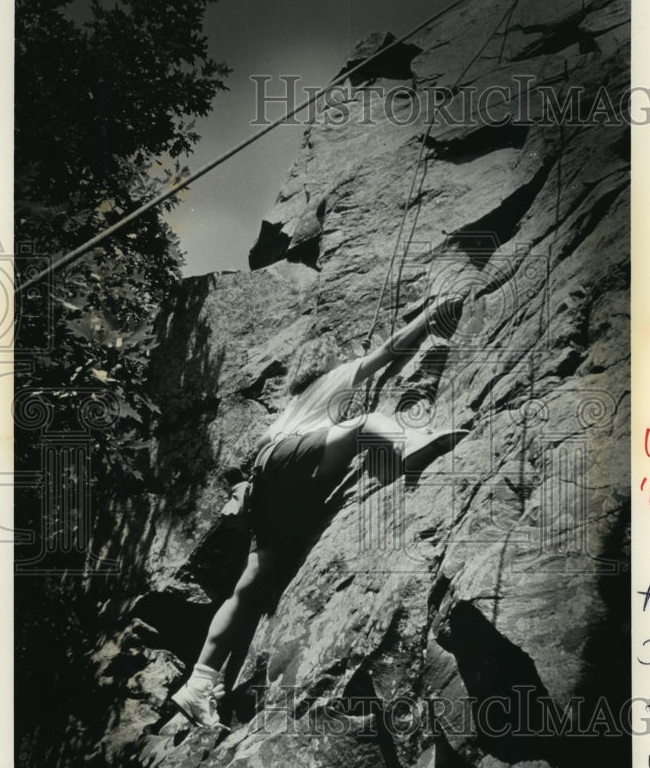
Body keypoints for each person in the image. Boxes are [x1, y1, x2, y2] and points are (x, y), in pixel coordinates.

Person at [171, 292, 467, 726]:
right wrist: (430, 316)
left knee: (248, 587)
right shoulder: (333, 378)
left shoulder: (293, 403)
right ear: (328, 362)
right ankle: (413, 447)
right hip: (289, 463)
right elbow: (389, 351)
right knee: (363, 425)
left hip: (269, 476)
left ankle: (199, 682)